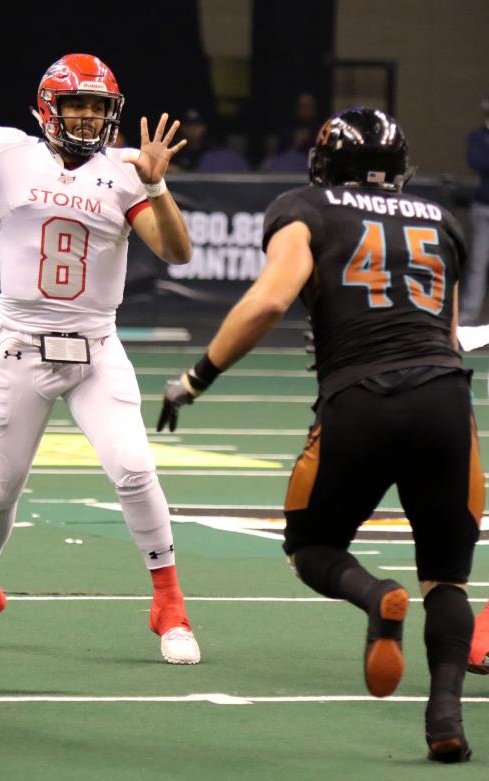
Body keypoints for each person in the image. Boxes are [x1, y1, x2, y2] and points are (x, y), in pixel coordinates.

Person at [158, 108, 481, 760]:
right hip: (446, 398)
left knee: (310, 542)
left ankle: (374, 597)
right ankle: (445, 716)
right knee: (446, 576)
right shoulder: (440, 220)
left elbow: (271, 299)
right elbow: (445, 336)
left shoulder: (304, 206)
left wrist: (195, 378)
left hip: (360, 398)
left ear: (325, 164)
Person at [0, 53, 200, 665]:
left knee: (135, 470)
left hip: (95, 349)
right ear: (48, 108)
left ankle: (170, 606)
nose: (88, 117)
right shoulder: (10, 157)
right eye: (76, 105)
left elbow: (176, 251)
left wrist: (155, 183)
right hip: (20, 345)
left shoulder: (124, 173)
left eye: (98, 106)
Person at [459, 96, 489, 324]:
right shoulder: (478, 138)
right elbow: (478, 163)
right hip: (483, 208)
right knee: (478, 262)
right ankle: (468, 315)